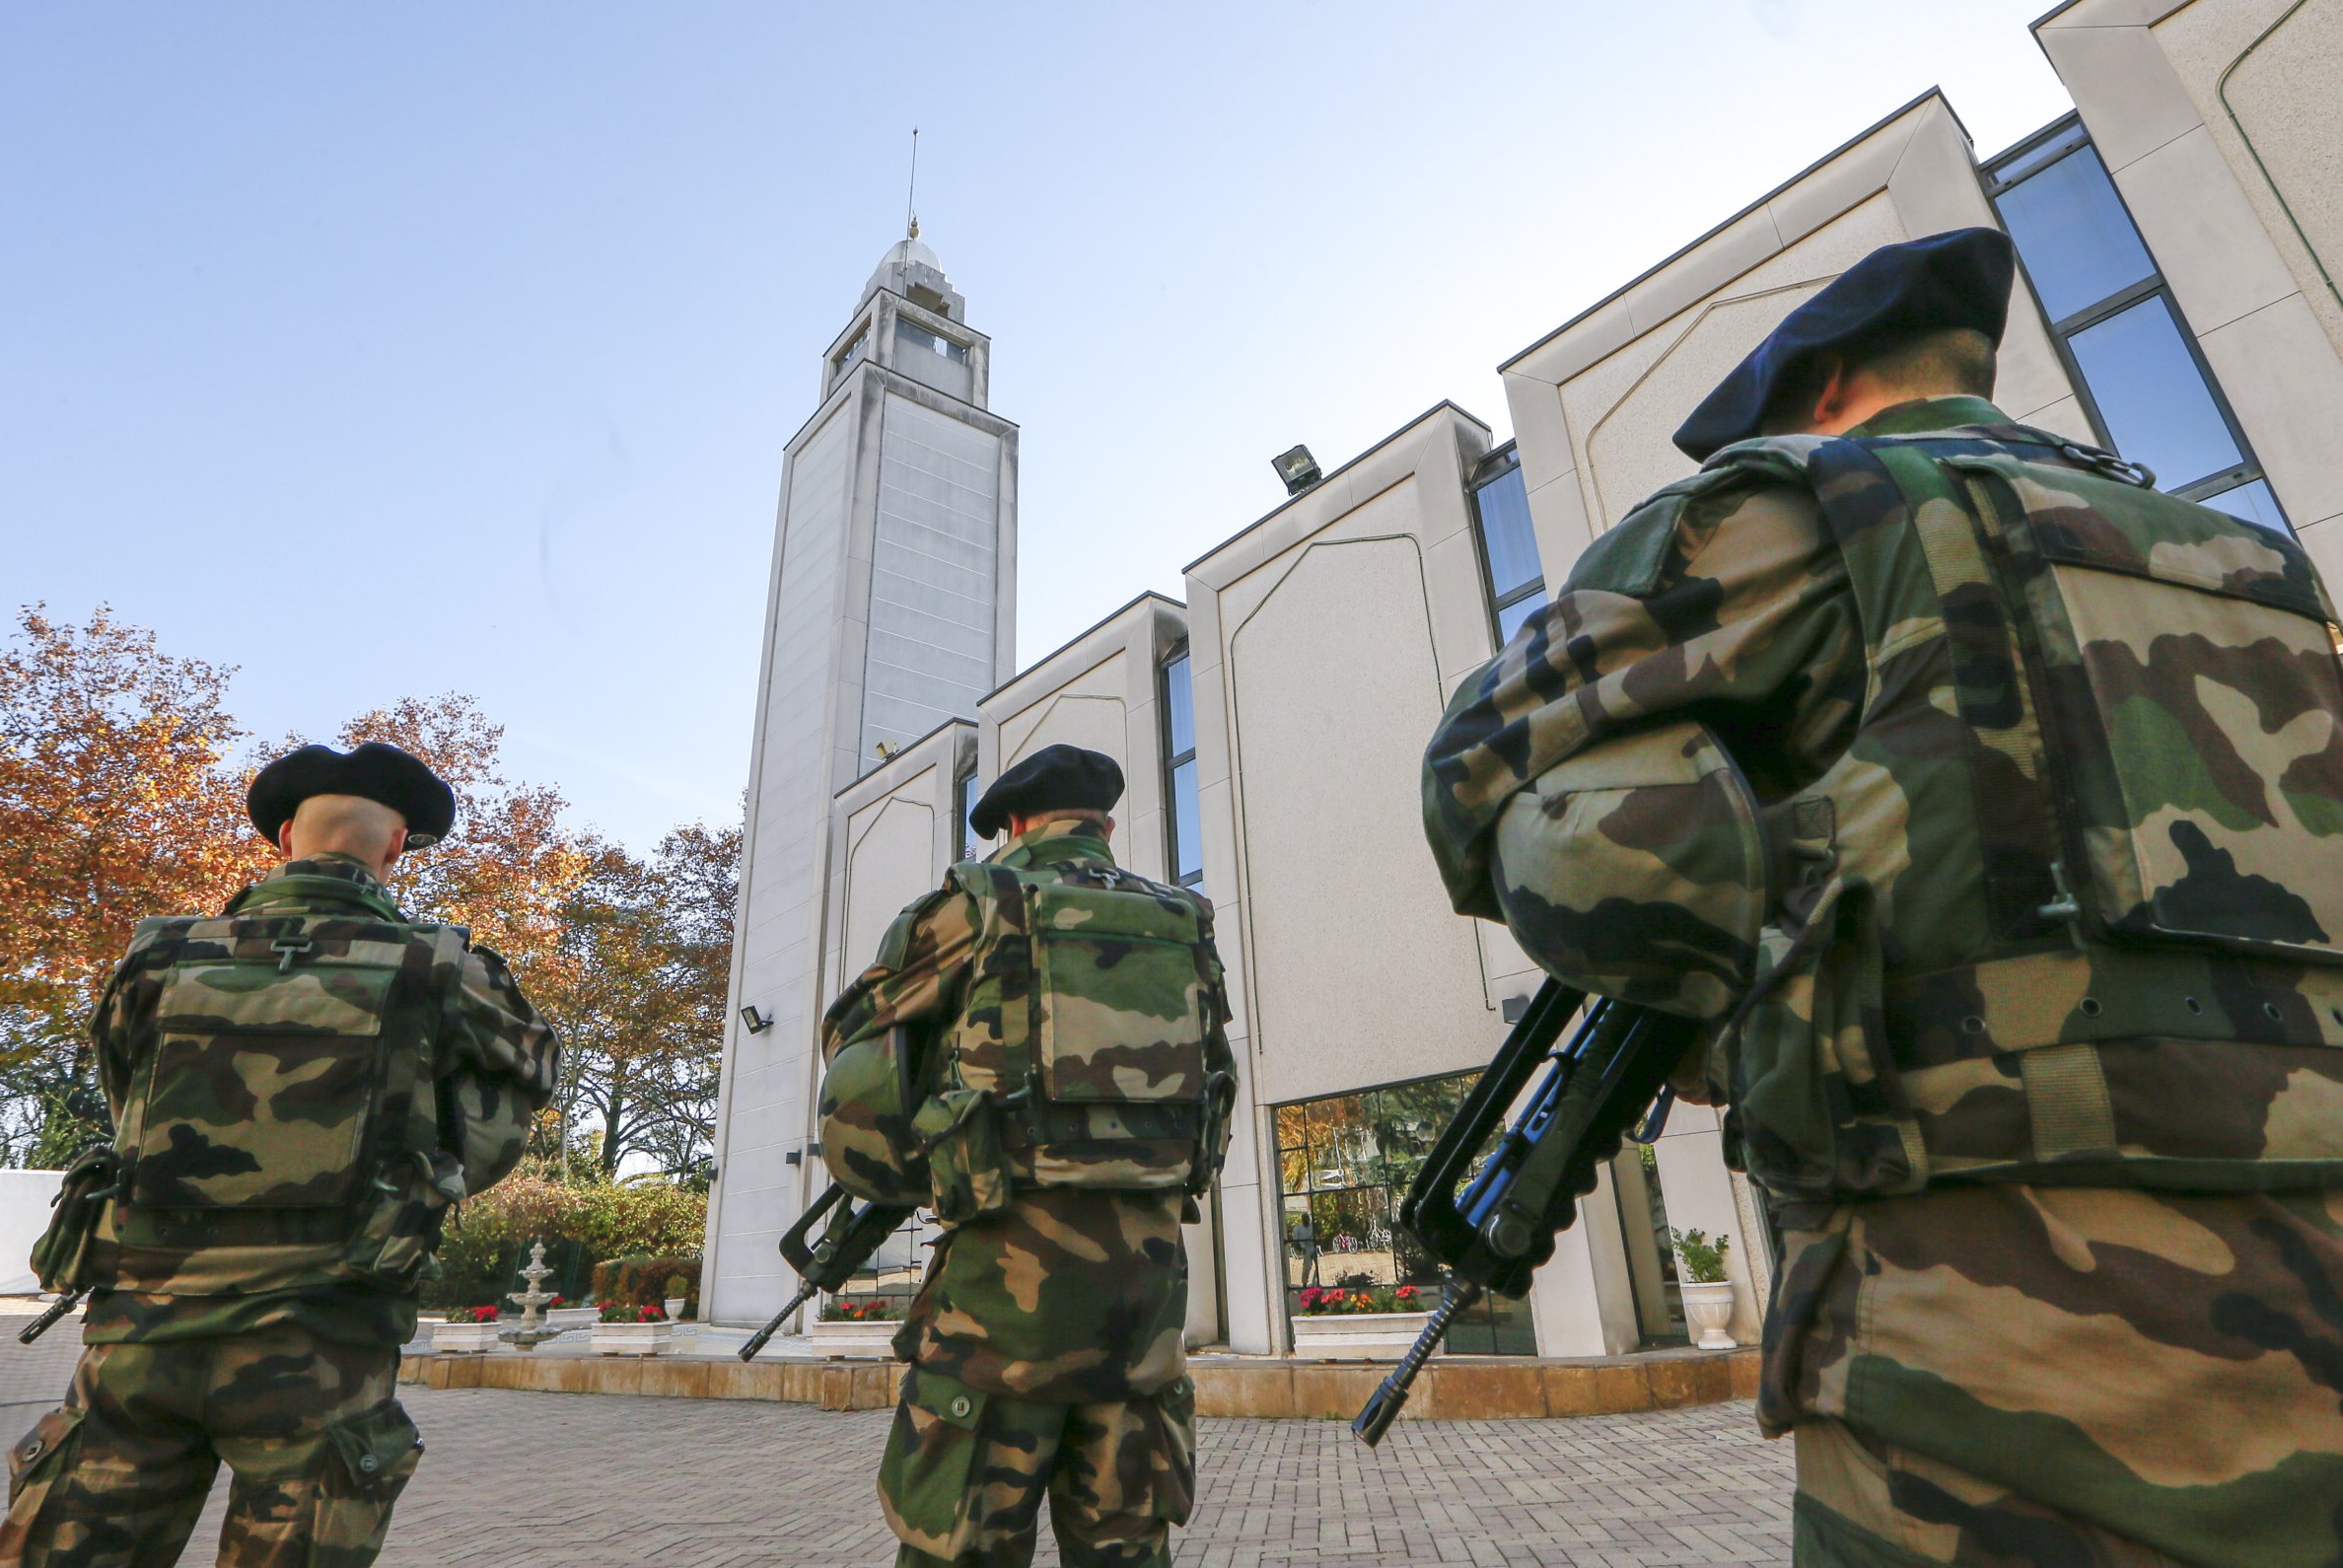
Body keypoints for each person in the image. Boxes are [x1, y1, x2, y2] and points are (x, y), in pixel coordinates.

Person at [1423, 227, 2343, 1566]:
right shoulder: (2256, 563)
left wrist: (1740, 977)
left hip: (1989, 1312)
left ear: (1831, 387)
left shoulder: (1809, 503)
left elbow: (1479, 765)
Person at [0, 741, 557, 1568]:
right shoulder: (440, 966)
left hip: (145, 1330)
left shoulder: (157, 956)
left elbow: (127, 1100)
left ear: (286, 836)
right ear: (397, 847)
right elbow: (523, 1087)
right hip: (326, 1332)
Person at [817, 744, 1235, 1568]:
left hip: (994, 1331)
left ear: (1011, 824)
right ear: (1106, 825)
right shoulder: (1185, 919)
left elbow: (853, 1042)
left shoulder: (976, 906)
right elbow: (1215, 1084)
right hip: (1142, 1331)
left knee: (957, 1555)